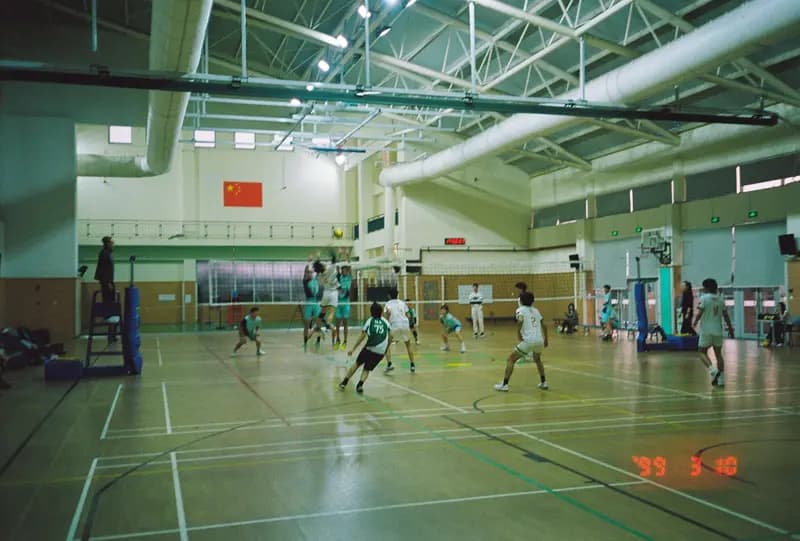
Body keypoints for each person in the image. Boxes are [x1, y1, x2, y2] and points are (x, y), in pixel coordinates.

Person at [494, 291, 548, 392]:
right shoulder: (536, 310)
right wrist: (546, 339)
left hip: (529, 340)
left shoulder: (520, 310)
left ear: (521, 301)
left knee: (510, 359)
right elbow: (544, 325)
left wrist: (518, 334)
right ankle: (544, 382)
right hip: (539, 340)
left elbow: (520, 321)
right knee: (537, 360)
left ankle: (504, 384)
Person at [340, 302, 391, 394]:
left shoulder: (370, 321)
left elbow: (362, 336)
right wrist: (386, 349)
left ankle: (344, 382)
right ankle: (360, 385)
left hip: (370, 349)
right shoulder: (386, 322)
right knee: (367, 369)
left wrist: (353, 349)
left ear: (371, 312)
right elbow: (391, 336)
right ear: (381, 312)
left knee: (357, 364)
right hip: (380, 352)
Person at [693, 278, 734, 387]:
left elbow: (699, 313)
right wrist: (730, 328)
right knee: (718, 354)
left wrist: (695, 322)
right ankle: (721, 380)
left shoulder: (704, 298)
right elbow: (726, 316)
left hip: (706, 330)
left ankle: (713, 370)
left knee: (701, 352)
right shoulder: (721, 299)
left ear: (706, 288)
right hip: (718, 330)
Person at [383, 289, 417, 373]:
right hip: (405, 324)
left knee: (386, 345)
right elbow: (408, 315)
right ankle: (412, 365)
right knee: (408, 345)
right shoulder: (402, 303)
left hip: (394, 325)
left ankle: (389, 364)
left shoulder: (387, 304)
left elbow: (386, 317)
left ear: (389, 296)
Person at [94, 236, 119, 323]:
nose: (113, 244)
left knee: (111, 299)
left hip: (108, 280)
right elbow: (103, 270)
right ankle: (108, 317)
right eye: (112, 243)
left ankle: (109, 316)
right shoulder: (104, 254)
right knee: (108, 300)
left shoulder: (107, 254)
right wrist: (108, 282)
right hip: (107, 281)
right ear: (107, 244)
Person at [302, 257, 321, 350]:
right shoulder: (305, 281)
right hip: (309, 303)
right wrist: (308, 262)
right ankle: (305, 341)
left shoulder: (316, 280)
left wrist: (317, 259)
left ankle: (318, 340)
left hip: (316, 303)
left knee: (318, 322)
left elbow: (319, 271)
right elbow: (305, 271)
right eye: (308, 273)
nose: (309, 274)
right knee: (307, 323)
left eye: (310, 273)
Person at [333, 265, 353, 351]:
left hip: (346, 304)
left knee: (345, 323)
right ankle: (338, 340)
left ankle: (345, 341)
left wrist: (348, 258)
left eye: (345, 270)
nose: (344, 271)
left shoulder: (349, 278)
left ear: (347, 271)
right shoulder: (339, 277)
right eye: (342, 270)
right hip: (338, 303)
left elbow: (350, 267)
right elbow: (337, 267)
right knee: (337, 323)